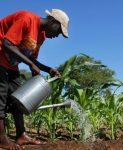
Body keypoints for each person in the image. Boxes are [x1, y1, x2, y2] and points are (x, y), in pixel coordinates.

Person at [0, 9, 69, 149]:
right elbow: (7, 43)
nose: (57, 35)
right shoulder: (27, 18)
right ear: (52, 21)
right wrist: (30, 64)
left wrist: (47, 69)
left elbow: (30, 58)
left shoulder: (41, 36)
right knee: (0, 99)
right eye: (59, 31)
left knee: (18, 98)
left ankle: (21, 135)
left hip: (11, 66)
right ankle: (2, 139)